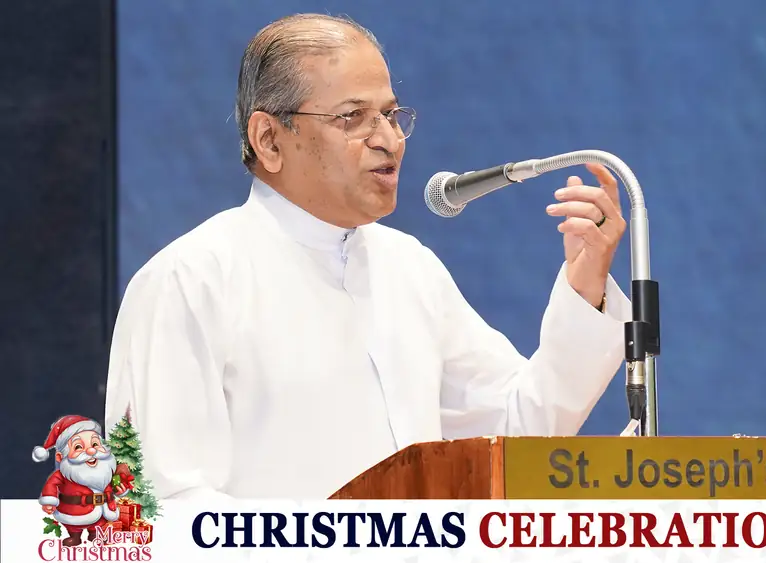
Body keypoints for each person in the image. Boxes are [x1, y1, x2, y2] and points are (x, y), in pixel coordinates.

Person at [104, 13, 631, 500]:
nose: (389, 140)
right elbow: (162, 506)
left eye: (391, 114)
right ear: (269, 140)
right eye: (353, 117)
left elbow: (515, 433)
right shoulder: (190, 281)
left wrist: (586, 283)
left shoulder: (409, 268)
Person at [32, 415, 132, 546]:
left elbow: (114, 484)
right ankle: (75, 537)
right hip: (74, 512)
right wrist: (49, 501)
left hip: (103, 510)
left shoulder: (106, 469)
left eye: (95, 444)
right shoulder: (64, 474)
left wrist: (119, 490)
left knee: (98, 525)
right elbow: (51, 486)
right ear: (60, 457)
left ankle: (94, 535)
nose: (91, 450)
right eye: (78, 447)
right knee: (74, 526)